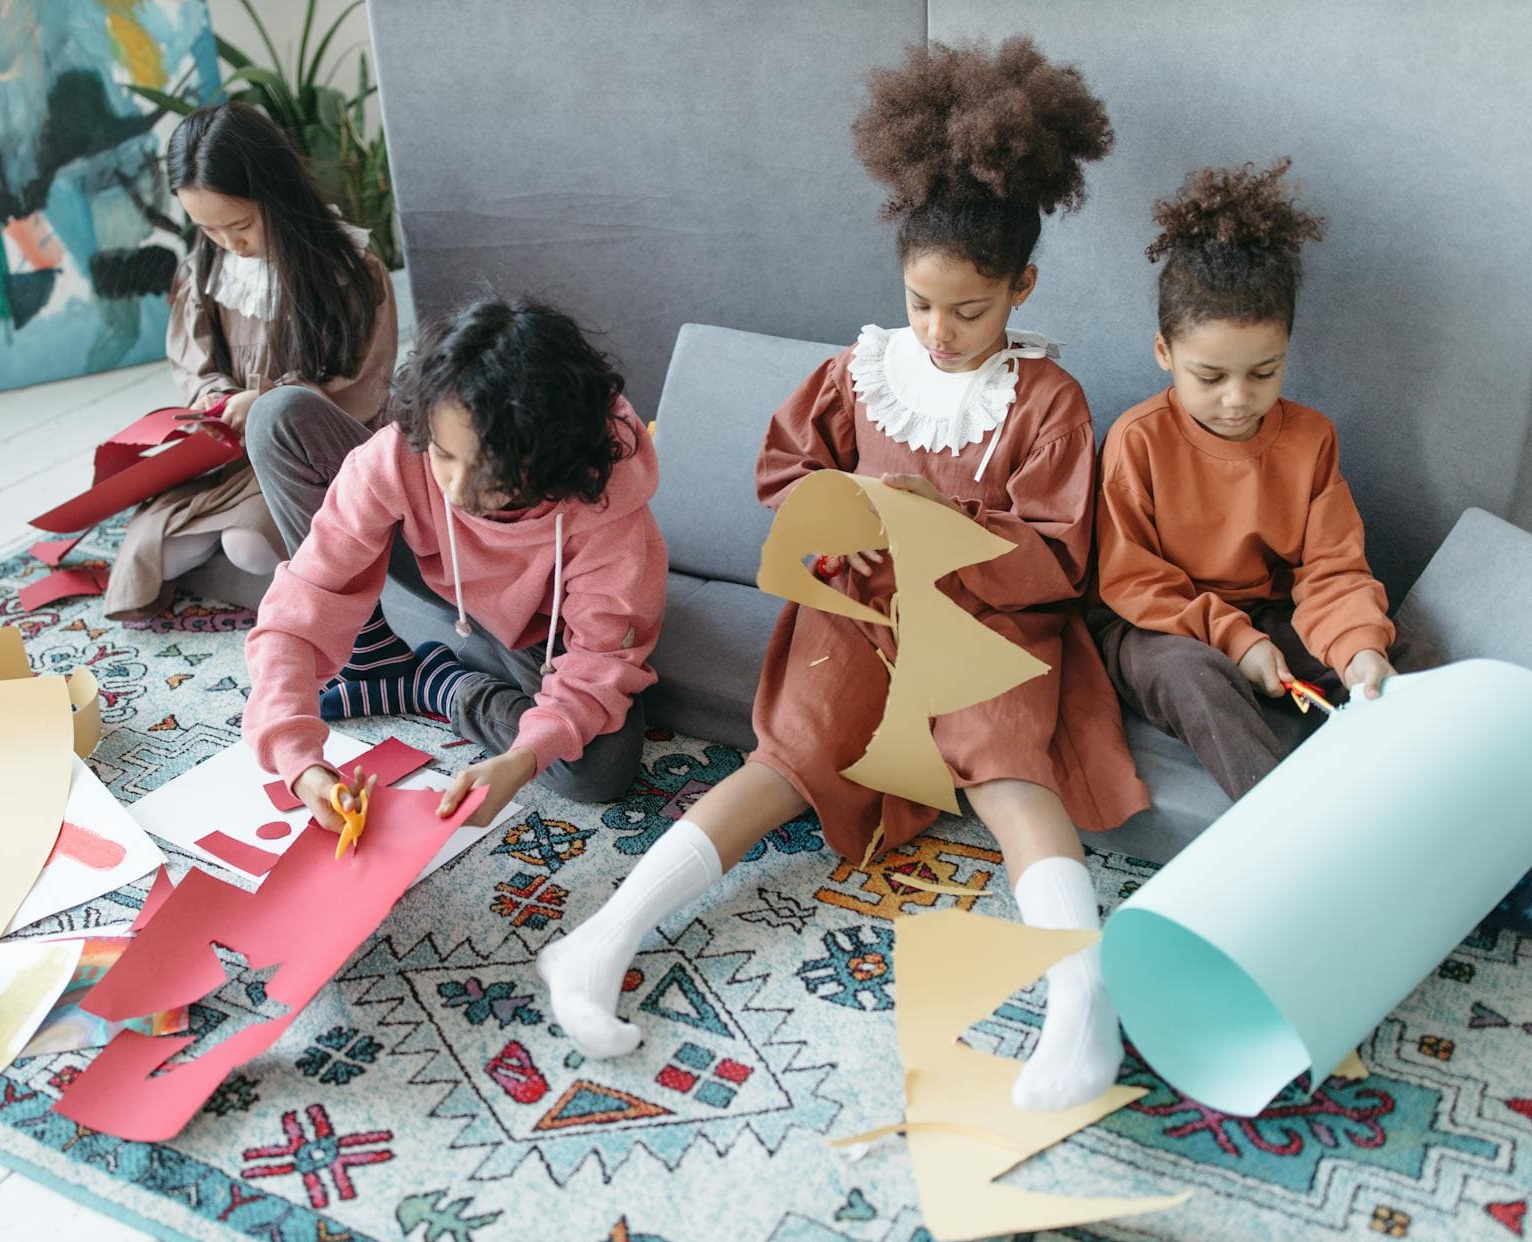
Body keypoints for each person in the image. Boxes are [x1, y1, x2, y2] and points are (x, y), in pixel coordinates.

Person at [538, 36, 1149, 1113]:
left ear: (1020, 287)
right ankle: (599, 936)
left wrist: (942, 526)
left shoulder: (1046, 400)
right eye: (921, 302)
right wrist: (847, 528)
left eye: (968, 309)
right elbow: (787, 477)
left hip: (984, 617)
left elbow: (1057, 553)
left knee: (1009, 764)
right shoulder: (855, 371)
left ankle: (1078, 993)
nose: (940, 330)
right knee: (794, 753)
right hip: (860, 609)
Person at [243, 297, 667, 832]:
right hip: (435, 566)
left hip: (543, 625)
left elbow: (601, 661)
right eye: (445, 455)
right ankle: (372, 660)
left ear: (553, 457)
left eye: (492, 471)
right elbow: (302, 599)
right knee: (278, 416)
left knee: (598, 771)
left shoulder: (606, 507)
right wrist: (296, 758)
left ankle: (440, 685)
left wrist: (521, 759)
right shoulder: (403, 451)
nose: (459, 489)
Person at [1093, 159, 1395, 800]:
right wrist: (1238, 644)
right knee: (1195, 679)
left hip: (1268, 612)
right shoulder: (1138, 438)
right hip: (1158, 626)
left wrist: (1359, 651)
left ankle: (1399, 797)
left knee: (1385, 658)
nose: (1237, 400)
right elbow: (1133, 582)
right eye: (1210, 377)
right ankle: (1285, 823)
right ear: (1164, 353)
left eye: (1264, 373)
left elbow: (1334, 571)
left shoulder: (1311, 438)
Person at [106, 101, 400, 637]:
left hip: (297, 456)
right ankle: (267, 573)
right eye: (208, 229)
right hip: (223, 451)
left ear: (276, 195)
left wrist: (263, 401)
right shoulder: (211, 263)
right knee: (157, 557)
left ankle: (309, 588)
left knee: (247, 546)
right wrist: (216, 397)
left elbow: (361, 386)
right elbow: (193, 359)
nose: (228, 243)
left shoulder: (349, 270)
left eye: (239, 225)